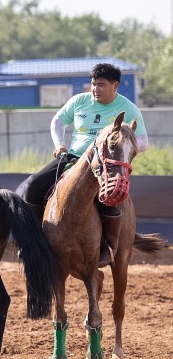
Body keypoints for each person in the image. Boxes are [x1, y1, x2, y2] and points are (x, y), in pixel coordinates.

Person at [18, 62, 149, 266]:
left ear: (115, 85)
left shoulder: (128, 108)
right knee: (32, 186)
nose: (96, 89)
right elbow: (58, 121)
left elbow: (142, 142)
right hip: (72, 159)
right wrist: (60, 144)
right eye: (94, 84)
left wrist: (122, 148)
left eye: (102, 85)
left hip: (103, 168)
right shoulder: (79, 101)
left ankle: (108, 247)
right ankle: (34, 242)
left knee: (110, 200)